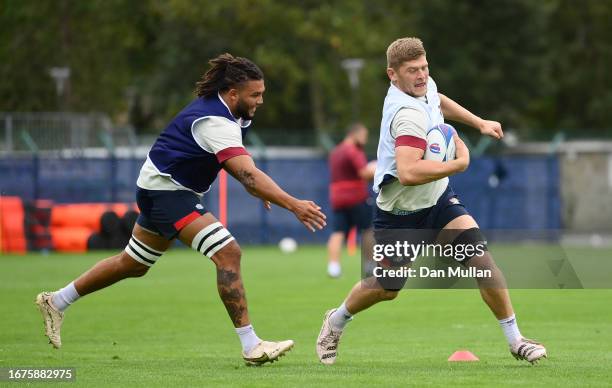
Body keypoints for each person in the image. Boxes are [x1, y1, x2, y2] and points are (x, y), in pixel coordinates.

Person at [35, 53, 326, 366]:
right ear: (232, 94)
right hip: (167, 190)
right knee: (228, 253)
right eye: (255, 94)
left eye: (262, 94)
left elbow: (240, 166)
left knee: (133, 264)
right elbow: (248, 174)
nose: (260, 101)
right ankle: (251, 345)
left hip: (161, 187)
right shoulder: (214, 120)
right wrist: (293, 203)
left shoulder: (234, 113)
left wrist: (256, 186)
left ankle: (56, 300)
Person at [316, 37, 547, 365]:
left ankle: (516, 340)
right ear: (392, 75)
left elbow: (436, 99)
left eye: (424, 67)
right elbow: (409, 172)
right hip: (399, 214)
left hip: (438, 201)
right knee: (387, 287)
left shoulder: (422, 87)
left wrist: (478, 122)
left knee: (483, 263)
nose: (422, 75)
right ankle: (336, 319)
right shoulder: (405, 114)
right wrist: (458, 165)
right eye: (412, 71)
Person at [326, 123, 376, 278]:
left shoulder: (335, 151)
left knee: (337, 232)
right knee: (367, 230)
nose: (365, 140)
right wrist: (377, 170)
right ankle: (370, 266)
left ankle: (333, 267)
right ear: (355, 134)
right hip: (356, 196)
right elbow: (364, 173)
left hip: (337, 198)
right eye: (364, 136)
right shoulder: (353, 151)